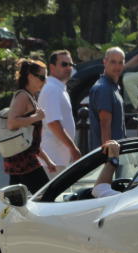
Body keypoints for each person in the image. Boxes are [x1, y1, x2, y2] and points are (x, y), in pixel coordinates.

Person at [4, 59, 57, 194]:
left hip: (21, 159)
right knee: (46, 196)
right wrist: (36, 117)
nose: (44, 81)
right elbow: (12, 123)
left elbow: (30, 137)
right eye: (41, 77)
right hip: (23, 162)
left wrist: (47, 160)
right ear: (30, 76)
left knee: (16, 202)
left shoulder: (30, 97)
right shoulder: (22, 96)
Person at [38, 49, 81, 178]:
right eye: (64, 64)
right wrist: (73, 148)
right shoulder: (52, 89)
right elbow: (53, 123)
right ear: (52, 67)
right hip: (52, 159)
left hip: (58, 159)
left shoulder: (59, 88)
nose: (68, 68)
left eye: (71, 64)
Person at [89, 47, 126, 151]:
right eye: (113, 62)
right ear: (105, 62)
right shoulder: (104, 88)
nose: (117, 66)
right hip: (108, 154)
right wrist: (109, 157)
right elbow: (105, 123)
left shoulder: (112, 87)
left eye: (120, 62)